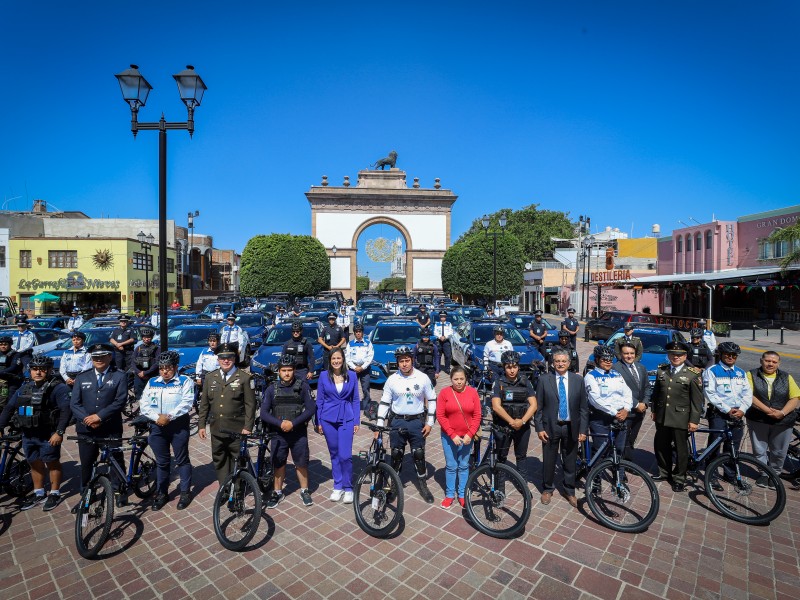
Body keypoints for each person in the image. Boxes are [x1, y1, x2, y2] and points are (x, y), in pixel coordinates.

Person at [0, 354, 71, 511]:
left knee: (52, 463)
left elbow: (66, 410)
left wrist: (59, 432)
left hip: (48, 435)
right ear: (30, 370)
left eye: (42, 369)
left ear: (49, 370)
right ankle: (39, 493)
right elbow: (9, 408)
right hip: (29, 434)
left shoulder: (58, 388)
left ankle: (54, 493)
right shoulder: (24, 387)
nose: (38, 372)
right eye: (34, 369)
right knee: (34, 463)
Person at [69, 343, 128, 512]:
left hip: (110, 427)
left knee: (115, 460)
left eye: (102, 356)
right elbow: (75, 403)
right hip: (86, 429)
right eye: (95, 357)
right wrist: (88, 420)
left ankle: (119, 490)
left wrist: (100, 416)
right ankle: (86, 494)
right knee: (87, 463)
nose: (99, 359)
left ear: (110, 357)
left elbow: (120, 400)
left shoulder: (119, 376)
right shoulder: (82, 377)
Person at [376, 346, 437, 503]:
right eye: (401, 361)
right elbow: (384, 402)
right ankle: (394, 485)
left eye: (407, 360)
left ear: (412, 360)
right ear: (397, 362)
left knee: (418, 454)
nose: (404, 364)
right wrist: (379, 424)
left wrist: (430, 423)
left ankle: (423, 485)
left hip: (417, 421)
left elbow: (432, 399)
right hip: (398, 420)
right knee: (396, 454)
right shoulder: (392, 379)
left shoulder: (423, 378)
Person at [140, 351, 194, 510]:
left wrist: (169, 416)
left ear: (176, 367)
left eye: (168, 368)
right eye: (162, 368)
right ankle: (162, 492)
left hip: (178, 426)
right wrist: (157, 418)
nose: (164, 371)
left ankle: (185, 492)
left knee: (182, 459)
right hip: (157, 427)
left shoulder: (185, 381)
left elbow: (187, 403)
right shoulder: (152, 382)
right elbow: (144, 404)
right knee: (162, 462)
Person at [534, 348, 588, 507]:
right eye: (557, 361)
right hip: (551, 426)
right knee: (549, 459)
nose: (560, 364)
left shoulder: (578, 380)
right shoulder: (544, 380)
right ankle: (547, 488)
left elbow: (583, 408)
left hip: (571, 426)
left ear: (569, 363)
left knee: (570, 459)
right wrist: (539, 428)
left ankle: (569, 490)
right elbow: (539, 407)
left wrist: (583, 430)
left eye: (563, 361)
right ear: (552, 363)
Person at [260, 354, 316, 508]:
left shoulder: (303, 386)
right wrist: (280, 423)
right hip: (278, 434)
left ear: (294, 371)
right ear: (279, 371)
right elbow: (264, 413)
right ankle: (277, 492)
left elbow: (311, 408)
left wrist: (293, 423)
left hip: (298, 433)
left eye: (289, 370)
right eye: (283, 370)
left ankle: (304, 490)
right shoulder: (272, 389)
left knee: (301, 463)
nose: (286, 373)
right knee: (278, 464)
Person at [198, 343, 257, 488]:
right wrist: (201, 425)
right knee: (220, 459)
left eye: (229, 357)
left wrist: (248, 426)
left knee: (238, 459)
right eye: (222, 358)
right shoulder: (211, 377)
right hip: (217, 428)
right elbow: (204, 404)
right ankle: (224, 487)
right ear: (217, 359)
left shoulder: (244, 378)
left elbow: (251, 404)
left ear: (235, 358)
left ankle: (237, 490)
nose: (226, 360)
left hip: (237, 429)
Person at [651, 341, 703, 492]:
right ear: (668, 355)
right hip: (662, 416)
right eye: (673, 354)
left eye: (679, 355)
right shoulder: (662, 370)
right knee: (661, 445)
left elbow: (697, 401)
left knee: (681, 450)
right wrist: (654, 410)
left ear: (685, 356)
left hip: (681, 417)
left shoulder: (692, 374)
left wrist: (694, 420)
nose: (676, 357)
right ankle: (664, 472)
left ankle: (679, 478)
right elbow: (656, 393)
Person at [703, 341, 752, 490]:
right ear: (721, 355)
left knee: (733, 447)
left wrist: (742, 409)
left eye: (733, 355)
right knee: (715, 445)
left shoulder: (740, 372)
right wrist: (726, 409)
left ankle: (730, 474)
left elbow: (747, 393)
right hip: (719, 413)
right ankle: (711, 476)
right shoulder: (712, 371)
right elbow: (709, 393)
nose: (730, 357)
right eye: (727, 355)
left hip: (737, 414)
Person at [746, 351, 800, 483]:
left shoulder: (786, 377)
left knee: (779, 451)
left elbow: (795, 397)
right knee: (759, 449)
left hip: (783, 421)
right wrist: (768, 411)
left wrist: (781, 413)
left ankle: (774, 474)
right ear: (761, 361)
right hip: (758, 418)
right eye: (767, 361)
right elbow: (748, 394)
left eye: (774, 362)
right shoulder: (751, 375)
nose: (770, 364)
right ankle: (764, 473)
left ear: (778, 363)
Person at [316, 348, 359, 503]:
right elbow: (319, 400)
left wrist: (356, 420)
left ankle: (348, 487)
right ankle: (338, 486)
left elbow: (355, 400)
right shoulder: (323, 376)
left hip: (346, 418)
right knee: (334, 454)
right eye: (333, 358)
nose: (336, 361)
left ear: (343, 359)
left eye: (338, 358)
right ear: (330, 360)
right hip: (328, 419)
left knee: (345, 455)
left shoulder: (352, 375)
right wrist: (318, 421)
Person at [436, 366, 481, 508]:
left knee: (463, 465)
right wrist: (452, 434)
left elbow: (477, 415)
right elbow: (441, 416)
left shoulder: (473, 392)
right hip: (449, 436)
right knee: (451, 465)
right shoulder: (444, 393)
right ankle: (449, 495)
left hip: (467, 436)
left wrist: (470, 434)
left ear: (466, 379)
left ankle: (462, 494)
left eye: (462, 379)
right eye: (456, 379)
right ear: (451, 379)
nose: (459, 382)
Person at [490, 351, 537, 479]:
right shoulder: (498, 383)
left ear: (518, 367)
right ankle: (500, 487)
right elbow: (496, 406)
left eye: (514, 366)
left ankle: (523, 485)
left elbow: (533, 405)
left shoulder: (526, 382)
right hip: (503, 426)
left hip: (522, 426)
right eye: (508, 367)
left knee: (521, 456)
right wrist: (512, 421)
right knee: (501, 456)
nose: (512, 370)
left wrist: (521, 421)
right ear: (504, 367)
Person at [585, 345, 633, 462]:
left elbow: (627, 392)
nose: (608, 362)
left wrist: (626, 409)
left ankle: (619, 476)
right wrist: (614, 412)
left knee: (619, 450)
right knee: (601, 450)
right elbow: (595, 399)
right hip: (601, 418)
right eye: (604, 359)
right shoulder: (591, 376)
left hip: (621, 416)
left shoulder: (617, 374)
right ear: (597, 360)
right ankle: (596, 478)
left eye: (610, 360)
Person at [612, 343, 649, 462]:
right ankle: (621, 466)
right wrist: (636, 404)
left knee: (632, 438)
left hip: (640, 411)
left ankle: (628, 461)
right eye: (626, 353)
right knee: (623, 440)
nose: (629, 356)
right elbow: (618, 391)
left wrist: (645, 403)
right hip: (626, 411)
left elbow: (647, 387)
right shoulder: (615, 368)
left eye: (631, 353)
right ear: (621, 354)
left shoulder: (641, 367)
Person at [345, 323, 373, 409]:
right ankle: (351, 404)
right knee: (352, 387)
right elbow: (347, 357)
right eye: (356, 332)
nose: (358, 333)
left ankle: (366, 405)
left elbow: (370, 357)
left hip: (364, 369)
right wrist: (354, 367)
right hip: (353, 369)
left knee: (366, 388)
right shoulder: (350, 344)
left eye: (360, 331)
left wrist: (362, 367)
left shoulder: (368, 343)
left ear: (362, 333)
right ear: (354, 333)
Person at [132, 327, 160, 401]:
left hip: (152, 375)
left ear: (151, 338)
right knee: (139, 397)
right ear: (142, 338)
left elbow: (157, 363)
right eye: (145, 337)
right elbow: (133, 362)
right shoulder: (138, 348)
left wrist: (146, 373)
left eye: (149, 337)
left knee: (153, 396)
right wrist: (139, 373)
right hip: (139, 376)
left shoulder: (157, 348)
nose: (147, 339)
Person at [0, 335, 25, 412]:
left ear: (10, 345)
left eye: (5, 344)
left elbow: (14, 367)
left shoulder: (16, 354)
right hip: (1, 379)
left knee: (10, 399)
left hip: (12, 380)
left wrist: (1, 372)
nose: (3, 346)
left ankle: (10, 414)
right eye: (1, 344)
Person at [109, 314, 135, 380]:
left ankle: (128, 381)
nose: (123, 322)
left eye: (125, 321)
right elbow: (111, 339)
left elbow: (132, 339)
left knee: (129, 367)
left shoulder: (131, 330)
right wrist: (117, 345)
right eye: (122, 321)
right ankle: (119, 380)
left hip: (128, 351)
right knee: (119, 367)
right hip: (118, 352)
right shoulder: (116, 330)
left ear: (127, 322)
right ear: (120, 322)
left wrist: (121, 344)